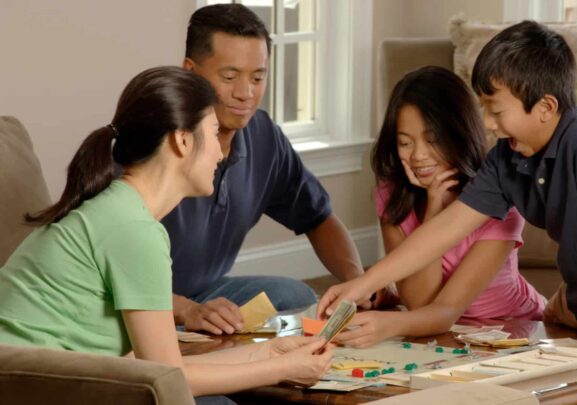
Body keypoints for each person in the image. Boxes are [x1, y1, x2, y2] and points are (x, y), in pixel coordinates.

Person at [318, 21, 577, 367]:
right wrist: (362, 284)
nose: (488, 125)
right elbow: (443, 232)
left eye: (496, 111)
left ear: (545, 107)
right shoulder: (506, 160)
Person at [0, 66, 333, 401]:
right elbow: (168, 379)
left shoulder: (120, 210)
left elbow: (157, 365)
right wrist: (284, 370)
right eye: (214, 133)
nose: (220, 152)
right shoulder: (133, 229)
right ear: (182, 139)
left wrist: (271, 354)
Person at [163, 3, 377, 336]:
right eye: (229, 77)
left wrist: (357, 283)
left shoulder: (262, 136)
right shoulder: (154, 143)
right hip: (142, 303)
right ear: (190, 72)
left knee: (294, 295)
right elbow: (108, 274)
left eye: (258, 77)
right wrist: (185, 310)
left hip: (205, 291)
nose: (245, 93)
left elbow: (317, 217)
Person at [334, 66, 544, 348]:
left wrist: (388, 324)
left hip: (513, 328)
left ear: (459, 133)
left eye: (432, 141)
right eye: (405, 142)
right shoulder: (392, 197)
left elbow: (445, 310)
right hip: (441, 333)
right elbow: (419, 301)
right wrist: (434, 209)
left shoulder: (499, 202)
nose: (418, 156)